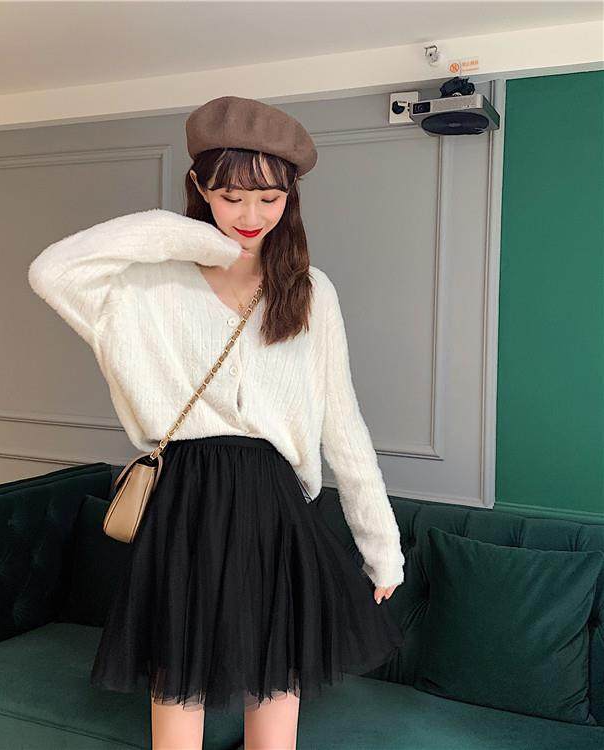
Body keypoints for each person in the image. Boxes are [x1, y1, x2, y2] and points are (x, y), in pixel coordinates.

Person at [28, 95, 406, 750]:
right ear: (200, 188)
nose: (251, 217)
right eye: (231, 196)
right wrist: (192, 239)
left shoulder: (309, 292)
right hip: (186, 506)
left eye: (270, 198)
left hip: (274, 511)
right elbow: (51, 270)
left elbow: (343, 426)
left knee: (276, 704)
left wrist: (382, 550)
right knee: (178, 696)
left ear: (291, 197)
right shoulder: (146, 288)